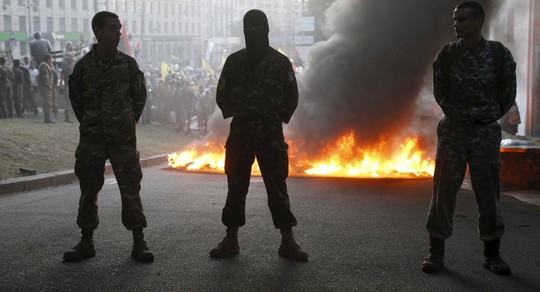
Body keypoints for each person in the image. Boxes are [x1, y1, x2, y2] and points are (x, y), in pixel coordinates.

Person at [422, 1, 516, 275]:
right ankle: (435, 253)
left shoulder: (499, 55)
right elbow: (440, 92)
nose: (456, 24)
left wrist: (487, 117)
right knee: (443, 192)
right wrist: (459, 116)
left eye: (462, 19)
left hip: (485, 133)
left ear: (478, 23)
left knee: (489, 194)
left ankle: (492, 254)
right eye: (455, 19)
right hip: (453, 132)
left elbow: (508, 94)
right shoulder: (447, 55)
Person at [210, 9, 307, 261]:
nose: (253, 34)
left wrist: (276, 117)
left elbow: (292, 96)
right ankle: (230, 239)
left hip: (270, 135)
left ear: (266, 31)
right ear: (244, 32)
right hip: (241, 133)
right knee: (236, 186)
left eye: (257, 29)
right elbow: (222, 93)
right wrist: (239, 112)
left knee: (277, 188)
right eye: (249, 30)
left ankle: (288, 240)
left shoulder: (280, 62)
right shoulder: (234, 61)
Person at [63, 11, 153, 263]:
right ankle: (86, 241)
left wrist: (125, 120)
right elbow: (76, 101)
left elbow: (139, 97)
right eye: (112, 28)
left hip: (123, 139)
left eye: (118, 28)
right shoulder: (82, 67)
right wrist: (92, 122)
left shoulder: (128, 64)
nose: (117, 33)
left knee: (130, 189)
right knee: (88, 190)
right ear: (98, 32)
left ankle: (139, 242)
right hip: (92, 139)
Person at [37, 54, 56, 123]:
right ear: (48, 59)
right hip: (45, 87)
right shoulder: (44, 66)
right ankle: (47, 118)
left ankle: (48, 117)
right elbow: (45, 77)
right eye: (51, 59)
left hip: (47, 86)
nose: (52, 60)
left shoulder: (47, 65)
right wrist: (48, 85)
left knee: (48, 102)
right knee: (47, 102)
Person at [59, 57, 74, 123]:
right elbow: (61, 79)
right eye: (71, 62)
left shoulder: (73, 70)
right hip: (67, 88)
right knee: (68, 103)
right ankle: (67, 118)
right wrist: (61, 87)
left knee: (69, 103)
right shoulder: (65, 70)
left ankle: (67, 117)